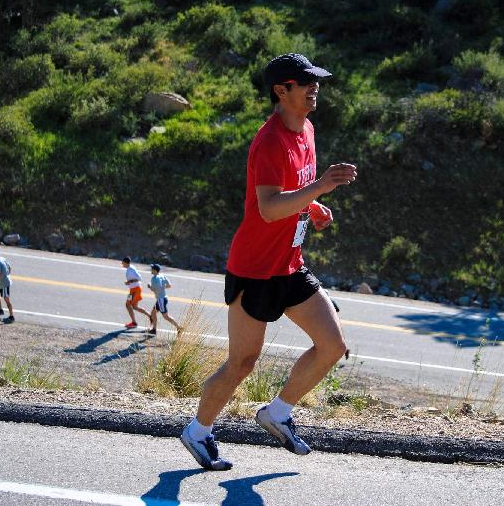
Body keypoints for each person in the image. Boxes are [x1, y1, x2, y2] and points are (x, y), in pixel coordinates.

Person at [180, 53, 357, 471]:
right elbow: (269, 208)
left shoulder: (307, 129)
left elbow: (292, 193)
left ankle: (277, 413)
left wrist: (312, 206)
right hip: (254, 269)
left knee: (332, 346)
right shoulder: (269, 141)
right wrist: (320, 187)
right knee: (243, 362)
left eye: (316, 81)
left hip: (290, 265)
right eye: (305, 82)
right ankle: (198, 431)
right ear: (282, 90)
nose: (315, 88)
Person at [147, 263, 182, 335]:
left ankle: (179, 327)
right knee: (153, 313)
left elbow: (154, 289)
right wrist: (162, 288)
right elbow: (169, 285)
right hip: (163, 298)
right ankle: (154, 329)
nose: (151, 270)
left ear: (155, 270)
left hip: (161, 300)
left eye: (152, 269)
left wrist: (150, 286)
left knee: (165, 316)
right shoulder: (162, 276)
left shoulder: (154, 279)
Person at [122, 256, 150, 329]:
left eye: (122, 262)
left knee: (134, 306)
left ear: (125, 263)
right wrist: (129, 282)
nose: (122, 264)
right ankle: (134, 322)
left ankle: (149, 316)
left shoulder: (131, 270)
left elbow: (139, 278)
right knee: (128, 305)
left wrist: (129, 282)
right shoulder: (130, 267)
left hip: (136, 290)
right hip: (132, 290)